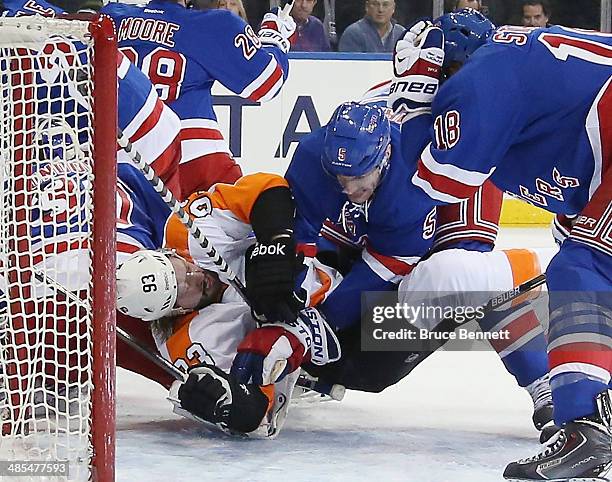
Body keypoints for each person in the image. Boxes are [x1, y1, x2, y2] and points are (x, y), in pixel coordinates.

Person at [397, 9, 611, 480]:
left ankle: (584, 427)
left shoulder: (484, 73)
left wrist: (412, 116)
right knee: (587, 262)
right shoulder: (525, 75)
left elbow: (438, 182)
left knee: (583, 269)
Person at [115, 173, 343, 436]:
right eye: (183, 289)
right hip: (336, 330)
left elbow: (268, 188)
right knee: (391, 345)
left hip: (337, 250)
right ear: (174, 311)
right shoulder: (187, 342)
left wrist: (275, 244)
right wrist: (232, 404)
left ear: (168, 254)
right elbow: (254, 406)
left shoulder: (186, 229)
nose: (194, 277)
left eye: (181, 268)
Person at [101, 0, 296, 197]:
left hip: (114, 161)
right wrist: (274, 37)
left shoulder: (111, 18)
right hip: (190, 161)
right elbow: (268, 82)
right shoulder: (213, 25)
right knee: (248, 211)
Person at [338, 0, 404, 53]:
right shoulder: (353, 33)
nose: (380, 10)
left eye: (385, 5)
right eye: (375, 4)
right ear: (367, 6)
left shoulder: (402, 34)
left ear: (393, 8)